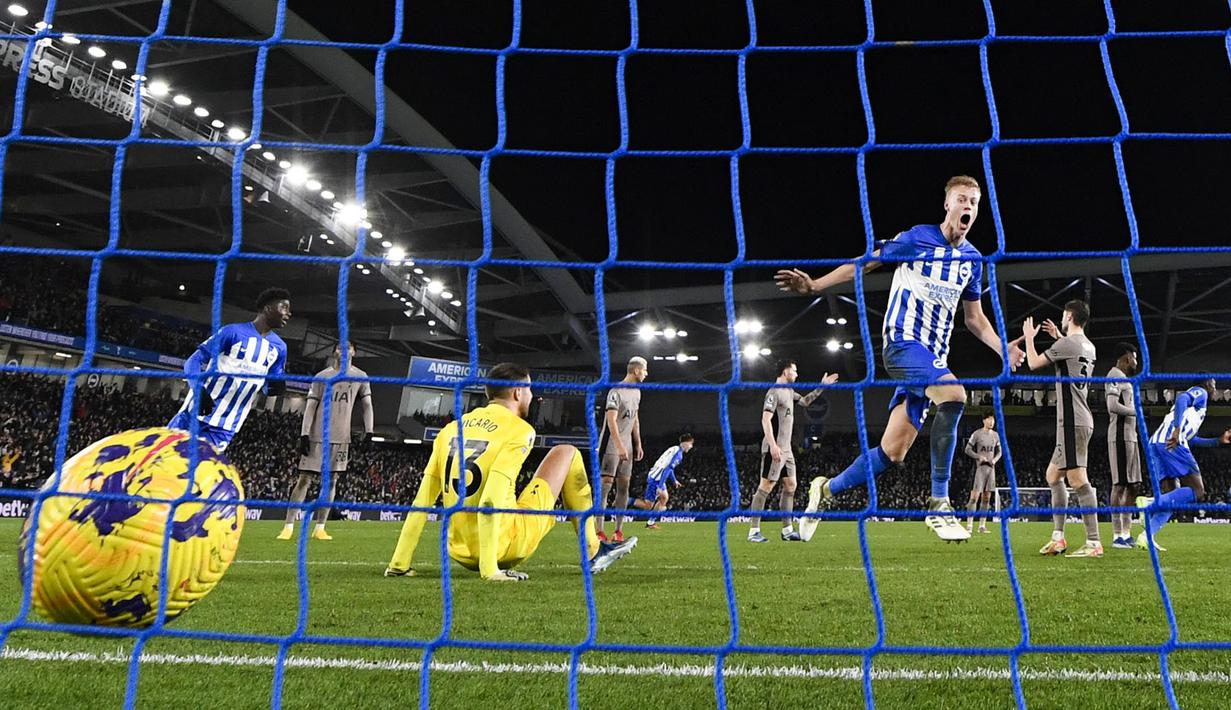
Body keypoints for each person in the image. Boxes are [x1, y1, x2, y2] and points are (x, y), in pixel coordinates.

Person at [780, 175, 1025, 543]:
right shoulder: (915, 239)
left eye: (974, 201)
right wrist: (816, 285)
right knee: (956, 396)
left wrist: (1002, 348)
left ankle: (825, 490)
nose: (968, 207)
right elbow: (865, 263)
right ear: (947, 204)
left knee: (893, 452)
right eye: (962, 199)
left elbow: (974, 319)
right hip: (902, 345)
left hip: (930, 361)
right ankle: (939, 503)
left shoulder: (972, 260)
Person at [386, 363, 636, 581]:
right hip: (503, 546)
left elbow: (422, 502)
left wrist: (399, 564)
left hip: (458, 549)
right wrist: (490, 570)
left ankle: (398, 563)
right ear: (517, 392)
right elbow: (490, 501)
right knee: (568, 452)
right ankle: (593, 551)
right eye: (528, 389)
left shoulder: (451, 430)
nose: (530, 394)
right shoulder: (518, 430)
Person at [1022, 300, 1101, 558]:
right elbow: (1070, 359)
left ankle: (1093, 542)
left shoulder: (1066, 344)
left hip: (1072, 421)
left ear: (1069, 316)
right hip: (1078, 418)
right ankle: (1058, 538)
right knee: (1053, 476)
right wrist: (1058, 336)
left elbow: (1033, 363)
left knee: (1077, 479)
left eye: (1063, 316)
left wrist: (1029, 338)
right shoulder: (1088, 346)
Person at [168, 287, 291, 453]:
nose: (288, 314)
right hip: (194, 414)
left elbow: (269, 387)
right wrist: (198, 389)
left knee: (201, 472)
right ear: (268, 309)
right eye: (284, 308)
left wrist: (276, 388)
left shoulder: (280, 348)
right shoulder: (232, 332)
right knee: (166, 460)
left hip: (225, 426)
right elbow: (193, 360)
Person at [278, 343, 374, 542]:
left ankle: (320, 527)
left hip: (342, 438)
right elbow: (311, 406)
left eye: (348, 348)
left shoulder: (361, 376)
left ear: (354, 352)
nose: (344, 351)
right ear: (335, 352)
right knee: (304, 480)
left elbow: (367, 405)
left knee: (331, 482)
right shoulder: (322, 376)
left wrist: (370, 431)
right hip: (317, 435)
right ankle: (288, 526)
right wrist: (304, 434)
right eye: (340, 348)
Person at [749, 360, 837, 543]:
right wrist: (773, 445)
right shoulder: (773, 392)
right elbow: (765, 420)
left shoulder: (789, 392)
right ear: (785, 371)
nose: (797, 374)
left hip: (787, 450)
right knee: (765, 487)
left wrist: (821, 387)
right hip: (775, 448)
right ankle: (753, 531)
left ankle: (787, 530)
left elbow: (805, 401)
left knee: (791, 486)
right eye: (794, 371)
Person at [1140, 375, 1231, 551]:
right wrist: (1176, 430)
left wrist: (1218, 441)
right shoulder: (1201, 393)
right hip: (1172, 442)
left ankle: (1147, 536)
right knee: (1198, 491)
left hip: (1157, 443)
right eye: (1213, 383)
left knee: (1172, 496)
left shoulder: (1192, 413)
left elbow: (1193, 438)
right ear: (1206, 383)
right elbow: (1182, 398)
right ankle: (1150, 504)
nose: (1214, 387)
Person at [597, 357, 647, 543]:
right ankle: (599, 531)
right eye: (645, 370)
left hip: (627, 446)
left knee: (624, 487)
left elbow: (635, 419)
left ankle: (618, 530)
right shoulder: (616, 391)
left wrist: (637, 443)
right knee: (605, 486)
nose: (646, 373)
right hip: (611, 445)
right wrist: (619, 446)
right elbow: (611, 421)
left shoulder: (637, 393)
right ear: (636, 370)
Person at [1105, 342, 1142, 549]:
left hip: (1131, 436)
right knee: (1119, 484)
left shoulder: (1126, 379)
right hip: (1119, 435)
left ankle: (1127, 533)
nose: (1136, 362)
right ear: (1127, 357)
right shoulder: (1114, 375)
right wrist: (1135, 412)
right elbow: (1112, 406)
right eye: (1135, 357)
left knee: (1134, 484)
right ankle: (1117, 534)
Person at [632, 434, 695, 529]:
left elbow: (669, 468)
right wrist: (660, 486)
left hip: (656, 475)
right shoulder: (678, 455)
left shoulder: (674, 448)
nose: (691, 446)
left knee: (664, 498)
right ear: (685, 443)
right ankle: (626, 501)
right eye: (690, 444)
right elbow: (667, 469)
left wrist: (674, 481)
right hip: (656, 478)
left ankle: (650, 523)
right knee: (648, 505)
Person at [963, 414, 1002, 534]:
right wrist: (978, 456)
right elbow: (967, 449)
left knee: (987, 498)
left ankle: (982, 525)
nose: (991, 422)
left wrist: (995, 459)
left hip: (991, 470)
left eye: (993, 420)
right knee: (974, 498)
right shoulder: (977, 434)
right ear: (984, 420)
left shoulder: (995, 435)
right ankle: (969, 525)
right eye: (989, 420)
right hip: (979, 469)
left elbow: (1000, 452)